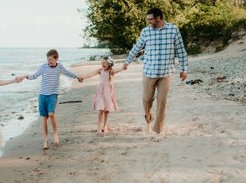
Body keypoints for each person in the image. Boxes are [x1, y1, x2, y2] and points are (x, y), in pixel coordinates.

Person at [123, 8, 188, 141]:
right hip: (149, 71)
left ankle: (158, 130)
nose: (148, 21)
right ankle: (148, 119)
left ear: (159, 18)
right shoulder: (146, 31)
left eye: (150, 19)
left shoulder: (173, 29)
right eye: (147, 19)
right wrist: (127, 62)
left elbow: (181, 50)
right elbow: (137, 47)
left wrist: (184, 68)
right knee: (147, 100)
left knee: (162, 102)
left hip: (166, 73)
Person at [15, 49, 83, 149]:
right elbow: (34, 76)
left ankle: (55, 134)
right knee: (44, 118)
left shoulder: (59, 67)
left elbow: (68, 73)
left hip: (53, 94)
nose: (49, 61)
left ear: (56, 59)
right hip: (42, 95)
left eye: (50, 59)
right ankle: (45, 139)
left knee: (51, 114)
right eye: (48, 59)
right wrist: (24, 76)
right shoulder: (43, 67)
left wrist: (77, 77)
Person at [80, 56, 124, 133]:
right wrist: (82, 77)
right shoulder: (100, 70)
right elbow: (91, 74)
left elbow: (120, 69)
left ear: (109, 63)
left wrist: (125, 66)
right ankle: (99, 127)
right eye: (101, 63)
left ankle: (105, 126)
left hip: (108, 92)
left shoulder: (111, 71)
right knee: (101, 109)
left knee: (107, 110)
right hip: (100, 91)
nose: (102, 64)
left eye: (104, 63)